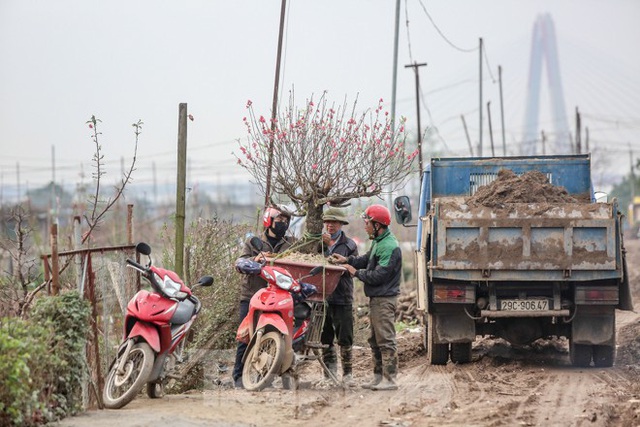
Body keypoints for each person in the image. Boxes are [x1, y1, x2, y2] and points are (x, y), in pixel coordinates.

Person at [329, 204, 401, 391]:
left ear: (378, 224)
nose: (365, 226)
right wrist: (348, 260)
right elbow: (367, 259)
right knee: (375, 340)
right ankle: (378, 377)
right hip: (377, 299)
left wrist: (354, 272)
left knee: (385, 339)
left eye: (367, 222)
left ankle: (390, 380)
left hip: (385, 299)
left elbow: (379, 275)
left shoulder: (389, 246)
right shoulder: (379, 241)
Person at [232, 206, 295, 388]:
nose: (283, 224)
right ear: (269, 221)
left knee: (283, 336)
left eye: (285, 221)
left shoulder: (291, 244)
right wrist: (256, 260)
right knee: (246, 336)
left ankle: (274, 375)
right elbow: (239, 262)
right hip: (253, 295)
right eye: (279, 220)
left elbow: (306, 254)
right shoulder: (254, 242)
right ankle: (237, 376)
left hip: (279, 297)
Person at [319, 207, 358, 386]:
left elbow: (349, 270)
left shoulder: (350, 245)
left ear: (341, 224)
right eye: (327, 222)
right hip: (323, 297)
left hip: (342, 296)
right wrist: (323, 247)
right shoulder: (317, 244)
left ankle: (348, 375)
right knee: (325, 337)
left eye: (334, 222)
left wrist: (330, 251)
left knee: (345, 337)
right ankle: (329, 374)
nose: (330, 225)